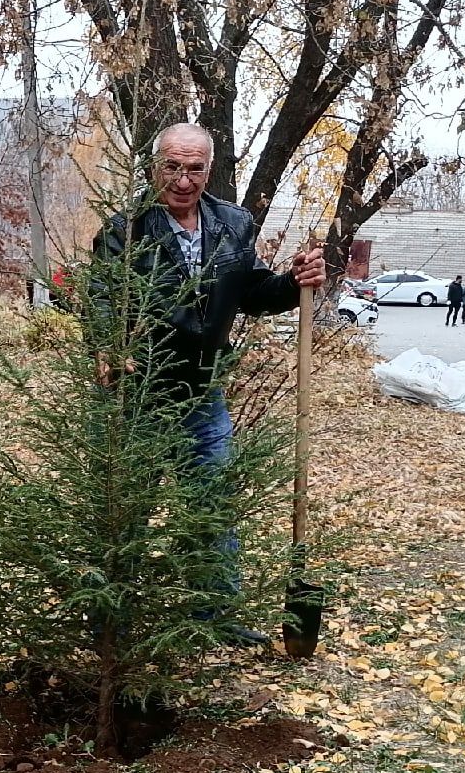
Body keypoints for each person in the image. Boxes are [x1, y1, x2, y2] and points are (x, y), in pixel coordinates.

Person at [93, 122, 325, 639]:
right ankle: (113, 623)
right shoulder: (124, 229)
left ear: (209, 170)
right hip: (138, 395)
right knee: (126, 510)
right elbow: (103, 294)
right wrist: (108, 341)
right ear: (154, 168)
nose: (182, 179)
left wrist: (293, 283)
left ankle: (215, 618)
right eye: (172, 166)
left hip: (202, 392)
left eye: (194, 168)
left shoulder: (232, 225)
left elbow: (254, 292)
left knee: (212, 507)